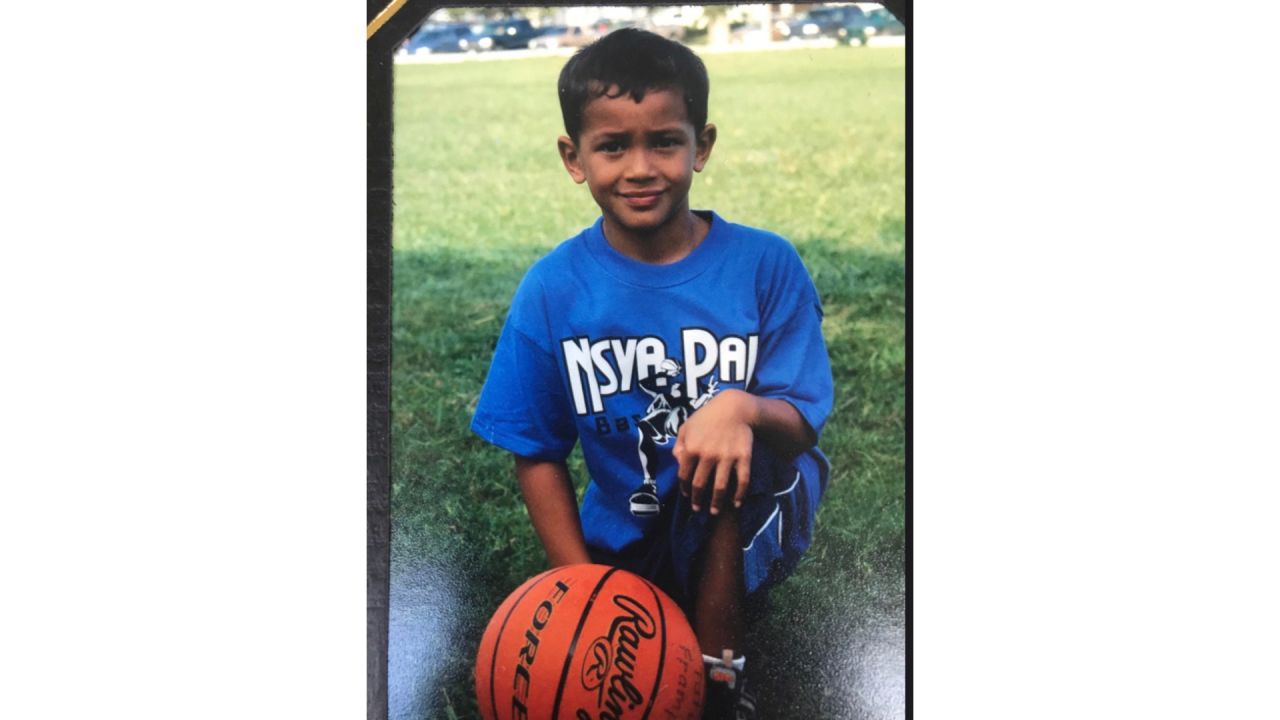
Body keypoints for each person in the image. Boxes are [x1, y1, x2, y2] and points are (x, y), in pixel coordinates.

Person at [470, 28, 833, 720]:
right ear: (573, 158)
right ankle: (643, 587)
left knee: (733, 455)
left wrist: (740, 406)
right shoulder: (553, 289)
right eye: (613, 146)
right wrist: (578, 589)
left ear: (703, 145)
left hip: (750, 499)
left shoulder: (764, 265)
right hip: (630, 523)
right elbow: (535, 448)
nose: (641, 167)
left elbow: (800, 420)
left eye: (665, 141)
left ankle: (722, 670)